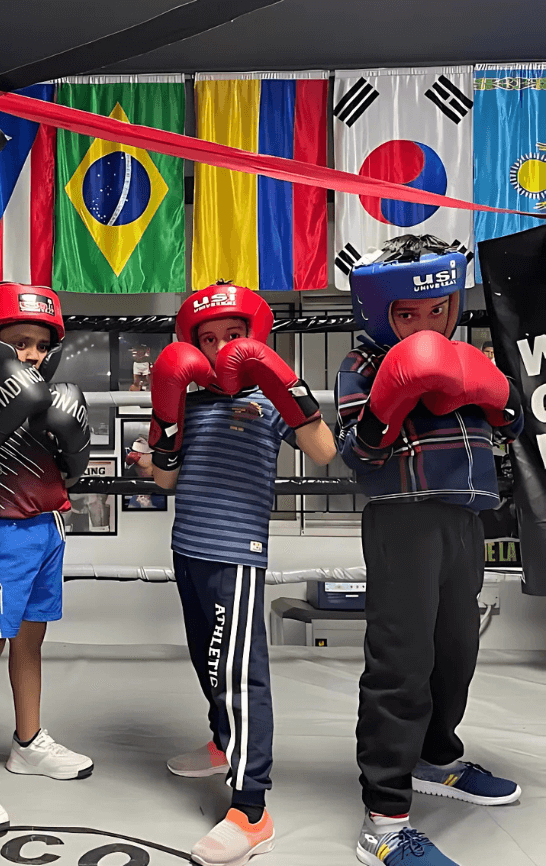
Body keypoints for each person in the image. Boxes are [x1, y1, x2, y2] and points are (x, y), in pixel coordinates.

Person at [336, 235, 524, 866]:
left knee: (456, 651)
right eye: (407, 315)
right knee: (402, 661)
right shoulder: (362, 365)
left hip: (462, 521)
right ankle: (383, 819)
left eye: (437, 309)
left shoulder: (468, 354)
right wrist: (393, 400)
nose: (426, 325)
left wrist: (495, 400)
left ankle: (435, 757)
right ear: (379, 312)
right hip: (401, 525)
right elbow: (358, 458)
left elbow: (512, 422)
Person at [150, 282, 337, 866]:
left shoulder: (266, 398)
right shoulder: (189, 396)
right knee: (208, 659)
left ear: (254, 338)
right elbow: (165, 483)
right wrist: (165, 429)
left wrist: (285, 385)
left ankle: (251, 810)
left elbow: (325, 450)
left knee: (239, 674)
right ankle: (222, 743)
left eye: (233, 337)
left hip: (237, 553)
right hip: (189, 548)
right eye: (208, 340)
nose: (223, 348)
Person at [0, 281, 94, 835]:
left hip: (47, 530)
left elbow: (70, 474)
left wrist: (75, 438)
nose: (29, 354)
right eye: (18, 341)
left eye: (38, 344)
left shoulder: (56, 398)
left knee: (31, 641)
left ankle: (27, 742)